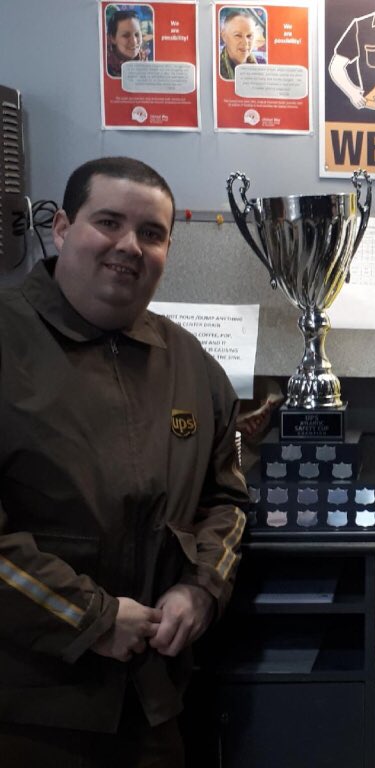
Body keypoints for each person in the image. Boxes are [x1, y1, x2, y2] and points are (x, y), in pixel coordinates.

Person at [0, 157, 249, 766]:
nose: (129, 247)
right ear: (62, 227)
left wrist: (201, 589)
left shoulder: (190, 364)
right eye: (108, 222)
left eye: (151, 233)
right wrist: (94, 618)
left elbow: (227, 500)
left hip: (152, 704)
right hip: (28, 709)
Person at [219, 8, 266, 80]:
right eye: (238, 35)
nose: (245, 42)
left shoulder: (263, 64)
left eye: (249, 36)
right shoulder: (215, 67)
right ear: (224, 36)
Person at [106, 9, 148, 78]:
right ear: (112, 38)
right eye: (126, 35)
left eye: (137, 34)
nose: (134, 42)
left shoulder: (148, 63)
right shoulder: (103, 67)